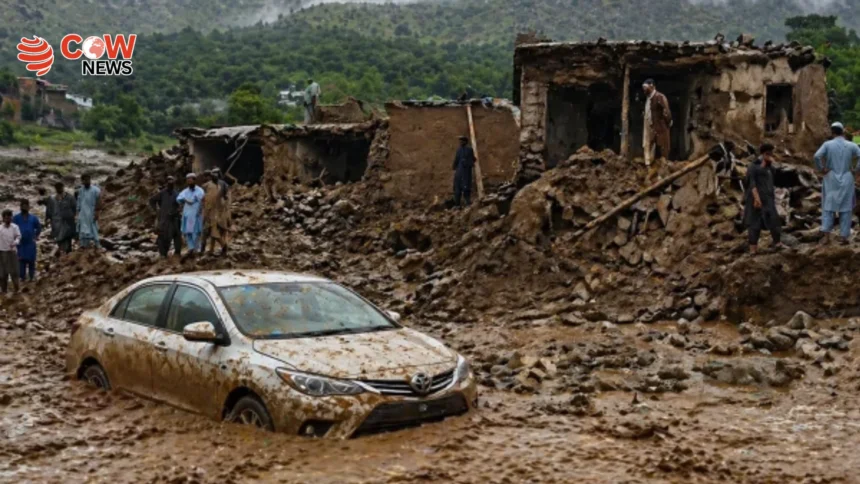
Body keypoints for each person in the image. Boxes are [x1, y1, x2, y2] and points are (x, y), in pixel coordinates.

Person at [814, 122, 860, 243]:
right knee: (846, 207)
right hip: (847, 177)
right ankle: (844, 236)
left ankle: (827, 235)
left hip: (831, 178)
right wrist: (856, 170)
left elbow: (817, 156)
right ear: (843, 132)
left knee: (828, 206)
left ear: (832, 132)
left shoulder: (827, 144)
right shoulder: (851, 145)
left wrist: (822, 169)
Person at [744, 143, 784, 254]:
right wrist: (756, 199)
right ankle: (753, 250)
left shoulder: (770, 167)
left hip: (768, 199)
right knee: (754, 224)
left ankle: (778, 244)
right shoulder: (753, 167)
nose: (772, 156)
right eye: (769, 154)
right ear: (764, 154)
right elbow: (752, 184)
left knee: (774, 221)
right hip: (755, 200)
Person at [642, 79, 672, 172]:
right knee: (648, 143)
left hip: (659, 125)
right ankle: (648, 165)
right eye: (643, 88)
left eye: (645, 87)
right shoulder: (648, 98)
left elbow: (666, 111)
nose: (644, 90)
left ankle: (664, 166)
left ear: (652, 86)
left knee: (663, 144)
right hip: (649, 124)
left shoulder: (659, 97)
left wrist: (668, 122)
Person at [149, 175, 182, 258]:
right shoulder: (162, 193)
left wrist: (178, 211)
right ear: (166, 183)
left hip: (175, 218)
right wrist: (156, 210)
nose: (170, 182)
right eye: (168, 181)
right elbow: (152, 200)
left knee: (177, 236)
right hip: (164, 219)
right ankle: (163, 254)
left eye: (172, 181)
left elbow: (181, 205)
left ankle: (177, 253)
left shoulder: (177, 193)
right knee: (164, 236)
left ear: (174, 183)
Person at [201, 171, 231, 256]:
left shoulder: (220, 186)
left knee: (214, 231)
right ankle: (214, 249)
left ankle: (223, 245)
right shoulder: (210, 186)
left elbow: (223, 200)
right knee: (213, 231)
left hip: (215, 212)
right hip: (214, 212)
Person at [176, 173, 205, 256]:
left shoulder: (199, 190)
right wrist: (185, 199)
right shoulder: (185, 191)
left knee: (196, 232)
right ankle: (191, 248)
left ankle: (197, 249)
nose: (189, 181)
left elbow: (194, 200)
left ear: (194, 180)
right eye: (187, 179)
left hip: (196, 215)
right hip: (187, 215)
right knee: (188, 232)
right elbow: (178, 198)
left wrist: (186, 199)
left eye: (190, 179)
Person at [13, 200, 41, 281]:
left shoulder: (33, 218)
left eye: (26, 205)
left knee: (31, 260)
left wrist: (35, 236)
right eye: (23, 205)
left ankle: (32, 277)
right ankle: (22, 278)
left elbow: (38, 227)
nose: (24, 207)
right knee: (21, 260)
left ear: (29, 207)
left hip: (30, 242)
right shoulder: (16, 218)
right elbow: (12, 228)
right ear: (20, 207)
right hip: (20, 243)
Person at [45, 182, 76, 255]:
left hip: (68, 221)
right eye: (57, 188)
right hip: (57, 221)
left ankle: (68, 253)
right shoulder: (52, 199)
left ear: (63, 187)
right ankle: (61, 253)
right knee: (59, 237)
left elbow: (75, 208)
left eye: (60, 187)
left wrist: (73, 216)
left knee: (68, 237)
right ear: (55, 189)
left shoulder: (70, 197)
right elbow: (49, 209)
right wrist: (47, 219)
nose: (59, 189)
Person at [76, 174, 101, 249]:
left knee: (93, 228)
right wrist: (78, 212)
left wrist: (97, 212)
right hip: (83, 213)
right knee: (82, 228)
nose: (87, 181)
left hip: (91, 212)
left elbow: (98, 202)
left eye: (88, 180)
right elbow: (79, 201)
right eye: (85, 180)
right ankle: (84, 245)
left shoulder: (96, 190)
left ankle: (97, 244)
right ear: (82, 181)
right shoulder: (80, 190)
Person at [0, 209, 21, 294]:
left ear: (11, 218)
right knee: (2, 273)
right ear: (3, 218)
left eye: (9, 217)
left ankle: (17, 289)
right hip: (1, 252)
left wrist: (15, 242)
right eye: (6, 218)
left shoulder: (15, 227)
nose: (8, 219)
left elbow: (18, 237)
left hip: (12, 252)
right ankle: (4, 290)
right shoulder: (0, 228)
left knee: (14, 272)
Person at [452, 135, 476, 207]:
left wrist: (468, 163)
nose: (460, 142)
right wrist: (454, 167)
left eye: (462, 141)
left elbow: (473, 159)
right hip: (460, 171)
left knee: (466, 187)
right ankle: (457, 204)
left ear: (465, 142)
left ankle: (467, 202)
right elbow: (456, 159)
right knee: (458, 188)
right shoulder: (459, 150)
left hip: (465, 171)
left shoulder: (469, 149)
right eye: (460, 141)